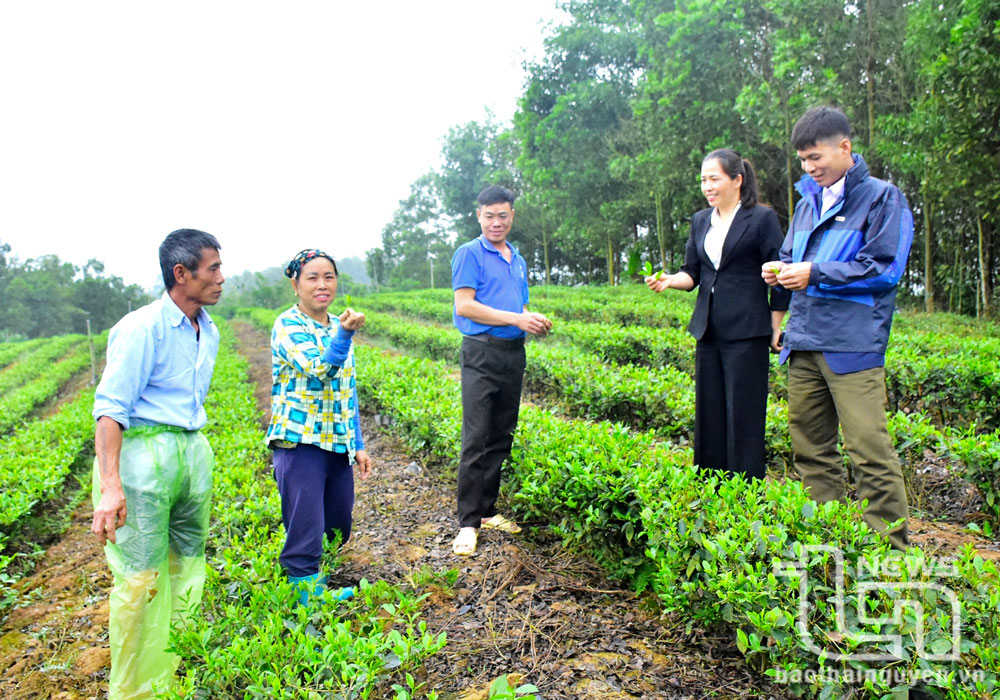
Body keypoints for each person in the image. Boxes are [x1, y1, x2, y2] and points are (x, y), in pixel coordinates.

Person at [762, 106, 913, 550]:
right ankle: (827, 543)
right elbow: (792, 256)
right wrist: (781, 271)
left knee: (869, 452)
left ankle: (892, 552)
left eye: (816, 158)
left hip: (851, 346)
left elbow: (885, 269)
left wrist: (815, 273)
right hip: (804, 342)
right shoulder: (808, 203)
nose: (809, 168)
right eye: (803, 161)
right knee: (811, 450)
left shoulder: (884, 199)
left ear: (844, 147)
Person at [91, 228, 224, 700]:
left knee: (187, 567)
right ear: (181, 273)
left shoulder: (207, 329)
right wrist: (111, 485)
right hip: (143, 462)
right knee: (141, 580)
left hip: (189, 455)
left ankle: (174, 677)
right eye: (212, 269)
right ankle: (135, 691)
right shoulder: (141, 328)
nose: (221, 278)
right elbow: (110, 409)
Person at [646, 149, 790, 480]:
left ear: (737, 180)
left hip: (747, 331)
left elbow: (781, 276)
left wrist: (774, 326)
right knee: (709, 413)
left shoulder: (761, 218)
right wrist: (669, 281)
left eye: (714, 179)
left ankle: (745, 490)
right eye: (703, 180)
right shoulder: (700, 221)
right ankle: (710, 488)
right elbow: (692, 274)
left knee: (744, 414)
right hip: (708, 329)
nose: (707, 186)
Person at [266, 248, 373, 605]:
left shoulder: (335, 324)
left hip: (336, 441)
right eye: (312, 277)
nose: (322, 284)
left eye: (329, 276)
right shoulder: (288, 325)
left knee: (338, 522)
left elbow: (347, 389)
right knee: (306, 523)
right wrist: (344, 334)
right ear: (295, 284)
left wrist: (357, 443)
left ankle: (318, 580)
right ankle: (304, 596)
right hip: (300, 440)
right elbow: (320, 368)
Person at [450, 185, 552, 556]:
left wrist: (532, 320)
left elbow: (518, 305)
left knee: (500, 434)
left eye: (503, 215)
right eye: (489, 215)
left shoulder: (518, 259)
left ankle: (488, 510)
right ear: (478, 216)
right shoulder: (469, 254)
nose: (496, 222)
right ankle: (467, 522)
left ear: (512, 216)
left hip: (513, 353)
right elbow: (466, 306)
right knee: (476, 436)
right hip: (481, 353)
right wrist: (515, 318)